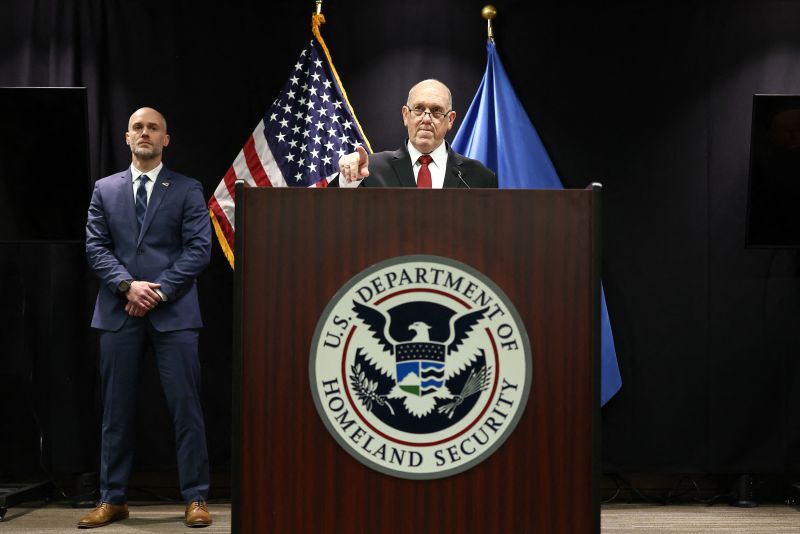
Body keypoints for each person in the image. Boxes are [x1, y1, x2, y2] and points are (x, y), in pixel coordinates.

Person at [81, 107, 213, 528]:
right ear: (126, 137)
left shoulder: (188, 189)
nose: (145, 133)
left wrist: (156, 290)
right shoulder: (104, 189)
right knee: (114, 411)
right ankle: (112, 498)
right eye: (138, 127)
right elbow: (96, 247)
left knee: (185, 408)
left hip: (174, 313)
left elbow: (198, 249)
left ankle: (195, 498)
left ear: (165, 140)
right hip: (118, 312)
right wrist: (127, 286)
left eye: (153, 128)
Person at [333, 79, 497, 188]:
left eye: (436, 111)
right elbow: (331, 214)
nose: (426, 119)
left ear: (451, 119)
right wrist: (347, 180)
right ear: (406, 115)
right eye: (418, 109)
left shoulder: (480, 177)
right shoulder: (371, 170)